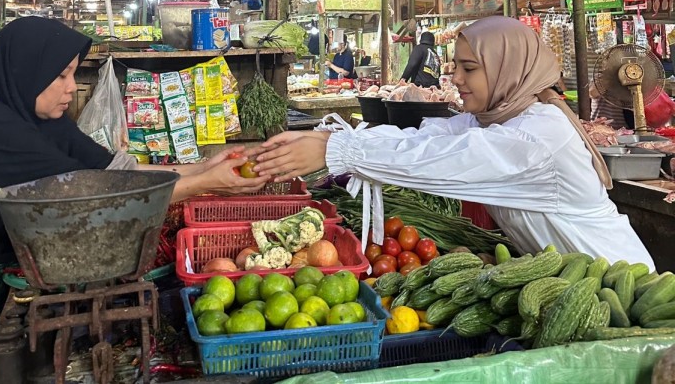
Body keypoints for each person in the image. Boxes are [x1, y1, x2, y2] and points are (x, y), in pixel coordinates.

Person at [249, 16, 655, 270]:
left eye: (469, 68)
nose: (456, 78)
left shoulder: (538, 135)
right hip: (573, 281)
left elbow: (440, 158)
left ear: (507, 69)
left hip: (623, 284)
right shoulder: (499, 118)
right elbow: (431, 136)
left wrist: (334, 151)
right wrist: (332, 138)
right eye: (455, 66)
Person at [0, 17, 269, 266]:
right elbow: (100, 198)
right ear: (28, 73)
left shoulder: (42, 119)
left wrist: (204, 167)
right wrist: (205, 183)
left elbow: (116, 171)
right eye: (62, 76)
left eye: (73, 75)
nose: (71, 88)